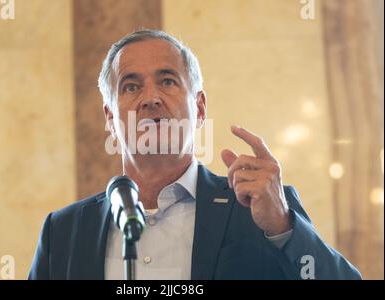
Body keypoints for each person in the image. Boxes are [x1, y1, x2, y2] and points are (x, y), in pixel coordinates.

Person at [28, 29, 361, 280]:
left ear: (199, 108)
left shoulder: (262, 210)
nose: (150, 98)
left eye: (168, 81)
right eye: (131, 86)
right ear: (111, 119)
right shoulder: (64, 232)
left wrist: (284, 230)